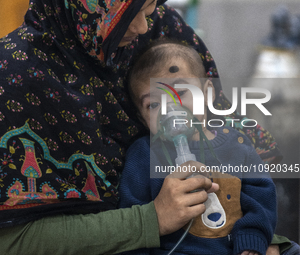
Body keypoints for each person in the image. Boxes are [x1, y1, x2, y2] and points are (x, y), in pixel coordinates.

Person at [0, 0, 293, 254]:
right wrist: (153, 219)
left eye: (149, 6)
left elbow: (238, 161)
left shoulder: (161, 31)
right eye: (135, 9)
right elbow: (15, 242)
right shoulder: (19, 70)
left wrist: (262, 239)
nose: (143, 27)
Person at [118, 40, 277, 255]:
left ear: (208, 94)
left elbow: (261, 198)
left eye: (181, 92)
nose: (170, 109)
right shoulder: (143, 155)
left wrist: (252, 240)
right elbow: (133, 222)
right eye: (154, 104)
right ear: (143, 118)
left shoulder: (237, 145)